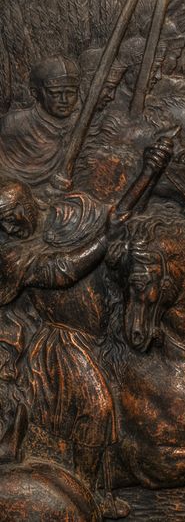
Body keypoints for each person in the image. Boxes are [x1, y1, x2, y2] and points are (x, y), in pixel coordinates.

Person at [0, 141, 170, 519]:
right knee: (96, 407)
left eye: (16, 213)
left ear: (29, 204)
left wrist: (148, 175)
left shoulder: (45, 233)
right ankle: (91, 492)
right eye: (6, 221)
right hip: (56, 347)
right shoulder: (12, 257)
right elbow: (64, 270)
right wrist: (104, 238)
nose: (13, 224)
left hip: (86, 340)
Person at [0, 56, 82, 187]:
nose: (64, 100)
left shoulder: (83, 124)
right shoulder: (13, 124)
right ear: (35, 93)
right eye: (55, 94)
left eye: (71, 93)